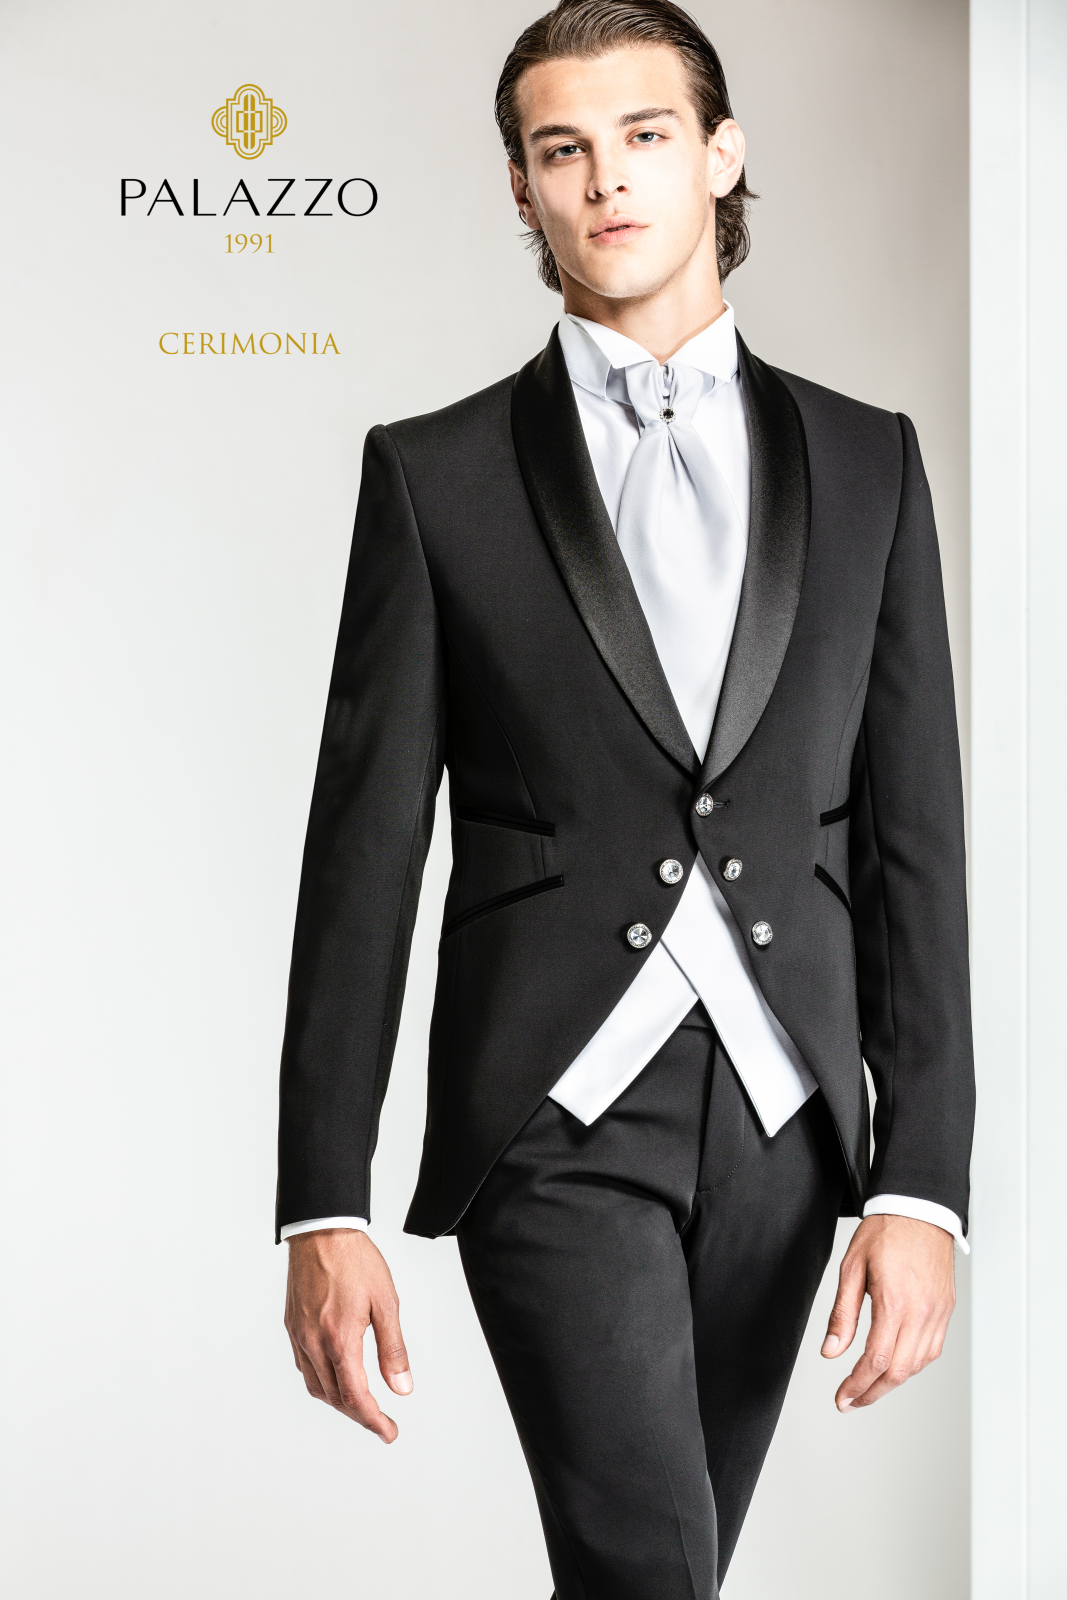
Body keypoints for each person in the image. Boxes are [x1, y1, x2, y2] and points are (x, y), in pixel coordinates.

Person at [276, 1, 974, 1592]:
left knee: (658, 1576)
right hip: (550, 1113)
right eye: (560, 150)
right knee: (648, 1568)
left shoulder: (868, 462)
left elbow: (913, 842)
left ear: (719, 155)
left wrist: (923, 1180)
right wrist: (321, 1203)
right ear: (521, 190)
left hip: (789, 1116)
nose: (605, 179)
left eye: (644, 135)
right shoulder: (435, 474)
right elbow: (361, 857)